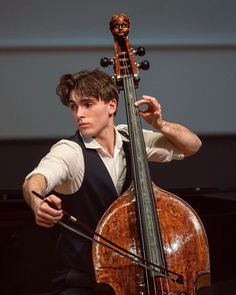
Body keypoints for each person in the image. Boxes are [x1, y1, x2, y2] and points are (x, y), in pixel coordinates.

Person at [23, 68, 202, 295]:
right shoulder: (70, 151)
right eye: (73, 106)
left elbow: (192, 146)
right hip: (83, 281)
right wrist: (37, 202)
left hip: (132, 276)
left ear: (112, 106)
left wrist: (160, 125)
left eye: (87, 104)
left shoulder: (131, 138)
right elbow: (36, 180)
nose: (79, 114)